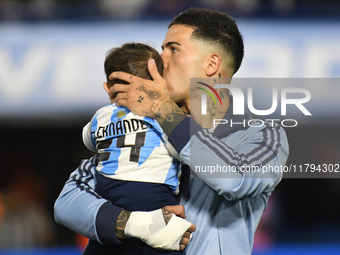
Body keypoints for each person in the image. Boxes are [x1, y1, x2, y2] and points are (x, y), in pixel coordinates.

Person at [55, 7, 289, 255]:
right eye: (162, 48)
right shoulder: (143, 124)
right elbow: (68, 201)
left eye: (173, 49)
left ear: (211, 64)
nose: (159, 59)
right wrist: (136, 224)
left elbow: (234, 178)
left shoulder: (263, 135)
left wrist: (162, 108)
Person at [81, 42, 191, 254]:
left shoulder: (100, 116)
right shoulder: (162, 118)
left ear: (108, 88)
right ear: (159, 83)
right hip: (154, 200)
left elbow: (88, 139)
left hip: (109, 202)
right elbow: (185, 151)